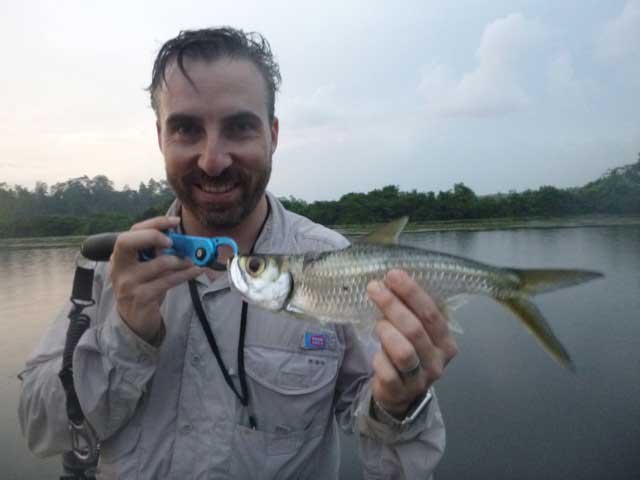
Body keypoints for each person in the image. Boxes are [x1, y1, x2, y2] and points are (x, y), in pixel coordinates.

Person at [19, 27, 457, 479]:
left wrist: (400, 404)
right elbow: (41, 430)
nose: (213, 159)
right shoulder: (116, 268)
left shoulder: (341, 266)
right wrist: (127, 334)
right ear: (160, 137)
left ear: (272, 134)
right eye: (186, 129)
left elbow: (396, 465)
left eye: (239, 127)